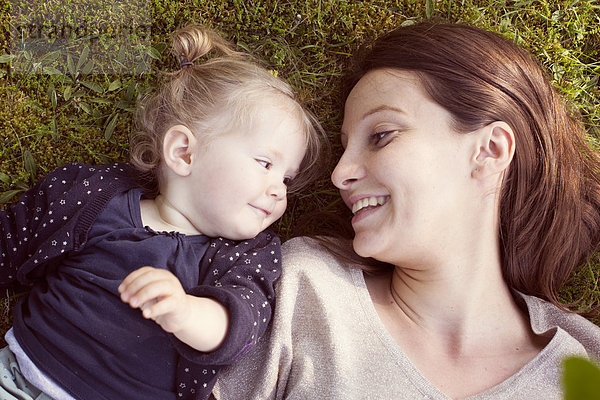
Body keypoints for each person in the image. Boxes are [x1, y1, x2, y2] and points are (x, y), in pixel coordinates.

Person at [211, 22, 600, 399]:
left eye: (381, 136)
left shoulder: (584, 363)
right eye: (345, 147)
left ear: (489, 151)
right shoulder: (303, 289)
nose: (339, 173)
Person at [0, 24, 324, 400]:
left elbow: (241, 324)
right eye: (265, 163)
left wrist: (187, 313)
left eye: (286, 178)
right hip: (18, 378)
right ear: (185, 152)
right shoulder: (94, 196)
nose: (278, 190)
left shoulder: (246, 255)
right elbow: (13, 236)